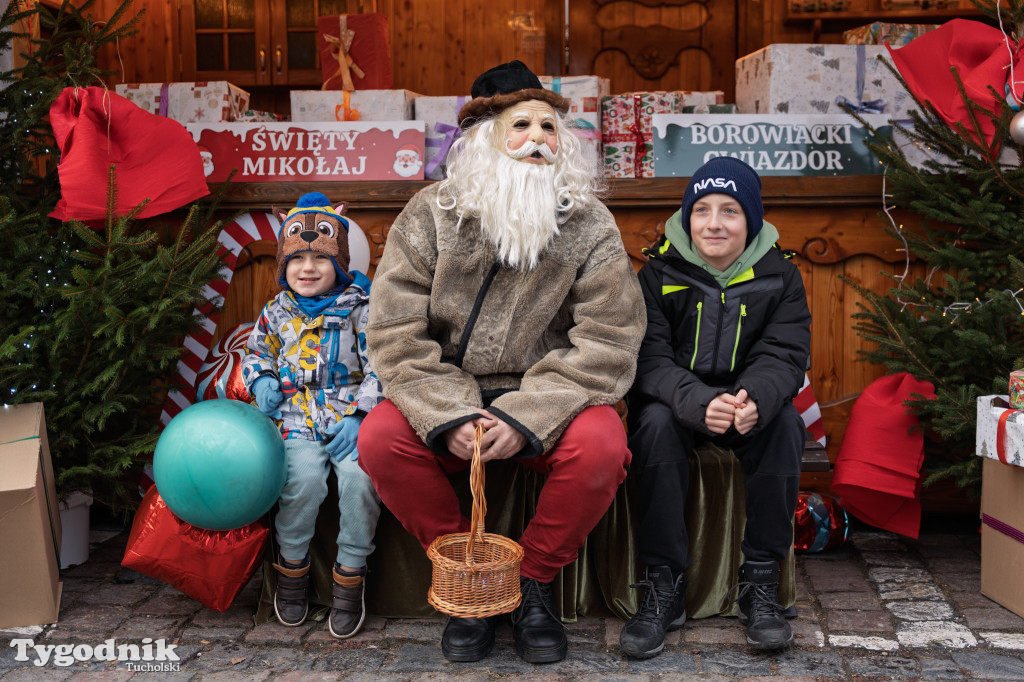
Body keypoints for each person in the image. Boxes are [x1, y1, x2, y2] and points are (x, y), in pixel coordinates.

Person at [357, 60, 646, 664]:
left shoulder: (590, 225)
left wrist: (524, 418)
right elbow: (392, 330)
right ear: (486, 139)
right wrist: (449, 412)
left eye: (548, 126)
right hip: (443, 389)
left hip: (549, 394)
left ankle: (530, 582)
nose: (537, 138)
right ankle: (469, 573)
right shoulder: (430, 214)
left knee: (602, 446)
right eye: (521, 125)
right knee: (381, 438)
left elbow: (609, 340)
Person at [620, 157, 811, 657]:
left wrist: (756, 399)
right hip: (677, 402)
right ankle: (663, 583)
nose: (714, 223)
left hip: (747, 403)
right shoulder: (658, 274)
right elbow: (649, 357)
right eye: (701, 210)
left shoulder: (781, 276)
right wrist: (698, 401)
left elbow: (785, 354)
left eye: (730, 211)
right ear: (687, 218)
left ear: (751, 220)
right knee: (654, 425)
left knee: (786, 425)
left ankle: (761, 583)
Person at [241, 192, 383, 639]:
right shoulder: (276, 312)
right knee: (301, 482)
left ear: (339, 264)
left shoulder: (361, 308)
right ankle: (293, 568)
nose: (307, 268)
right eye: (296, 258)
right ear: (284, 267)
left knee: (361, 481)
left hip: (347, 420)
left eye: (319, 258)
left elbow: (382, 362)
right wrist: (261, 378)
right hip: (296, 421)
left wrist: (362, 415)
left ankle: (350, 575)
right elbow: (256, 352)